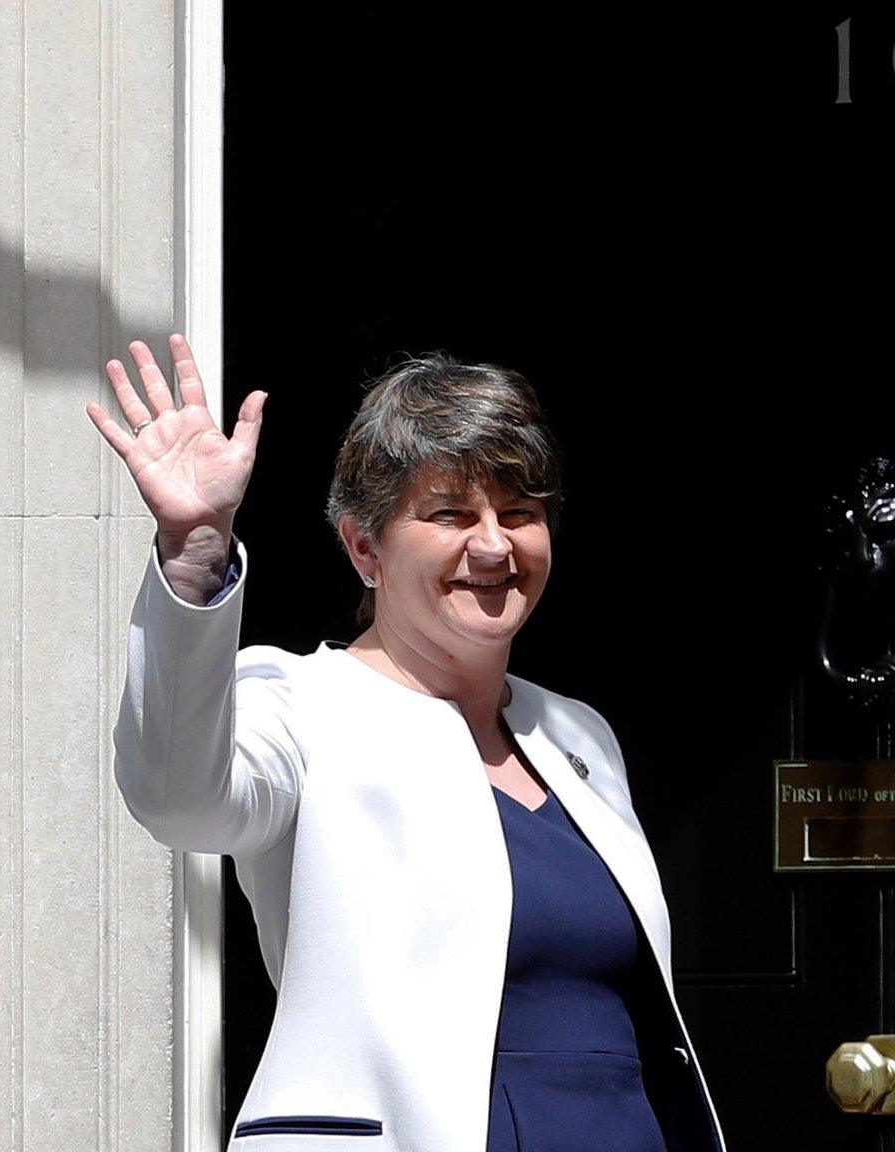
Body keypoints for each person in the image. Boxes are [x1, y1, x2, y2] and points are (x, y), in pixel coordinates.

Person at [88, 336, 723, 1152]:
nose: (493, 546)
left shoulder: (578, 734)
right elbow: (178, 800)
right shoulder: (301, 702)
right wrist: (195, 551)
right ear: (363, 547)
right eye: (451, 513)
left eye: (519, 513)